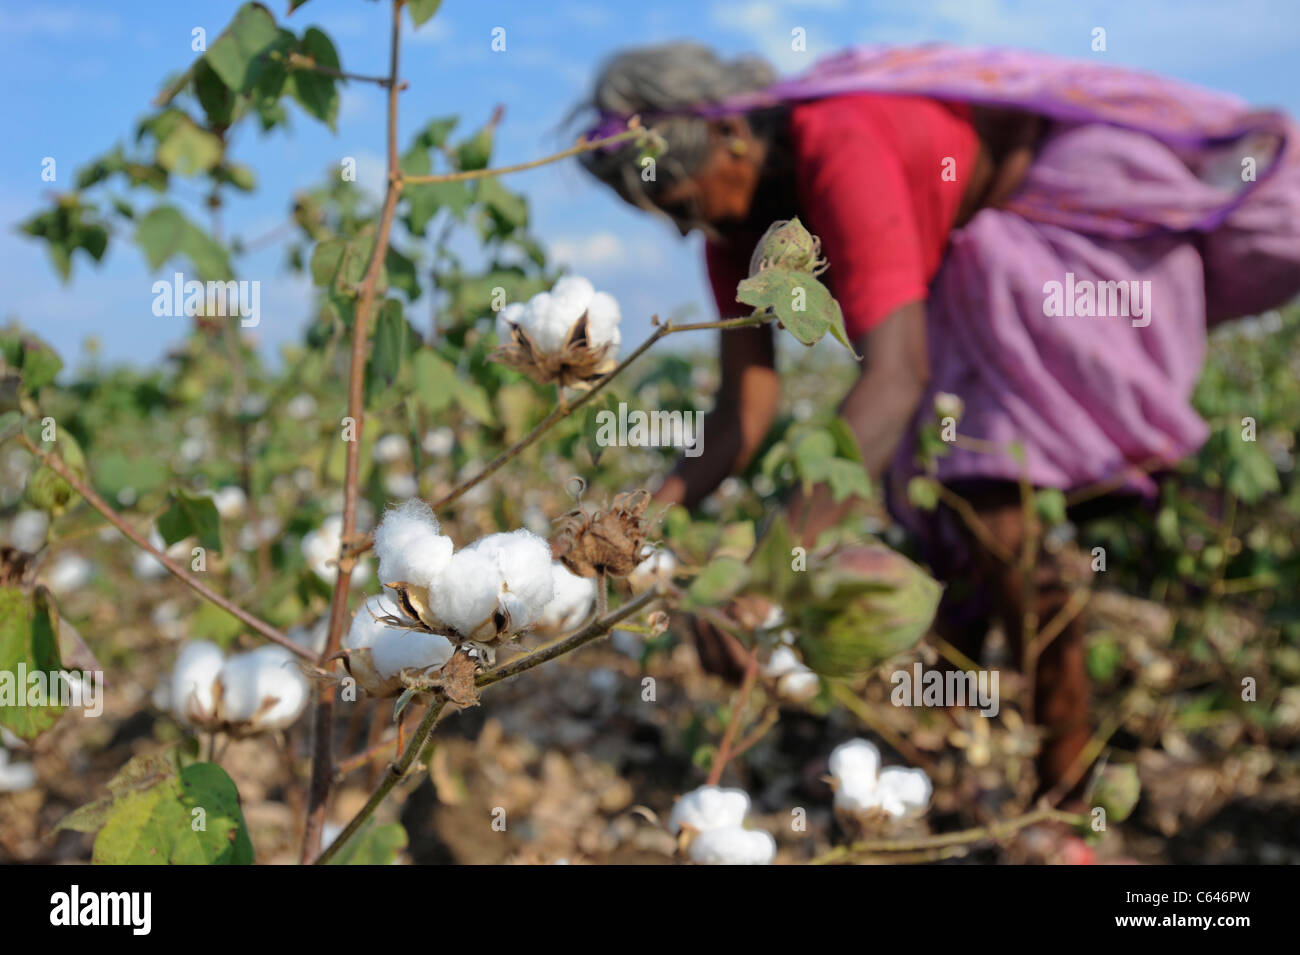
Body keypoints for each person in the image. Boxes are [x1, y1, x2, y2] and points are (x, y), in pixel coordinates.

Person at [572, 43, 1300, 794]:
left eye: (685, 204)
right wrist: (628, 529)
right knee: (957, 528)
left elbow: (896, 376)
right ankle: (956, 745)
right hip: (966, 257)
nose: (688, 232)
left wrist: (769, 576)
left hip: (1044, 225)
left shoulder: (839, 141)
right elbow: (741, 412)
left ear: (730, 136)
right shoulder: (741, 235)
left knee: (1003, 525)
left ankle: (1065, 796)